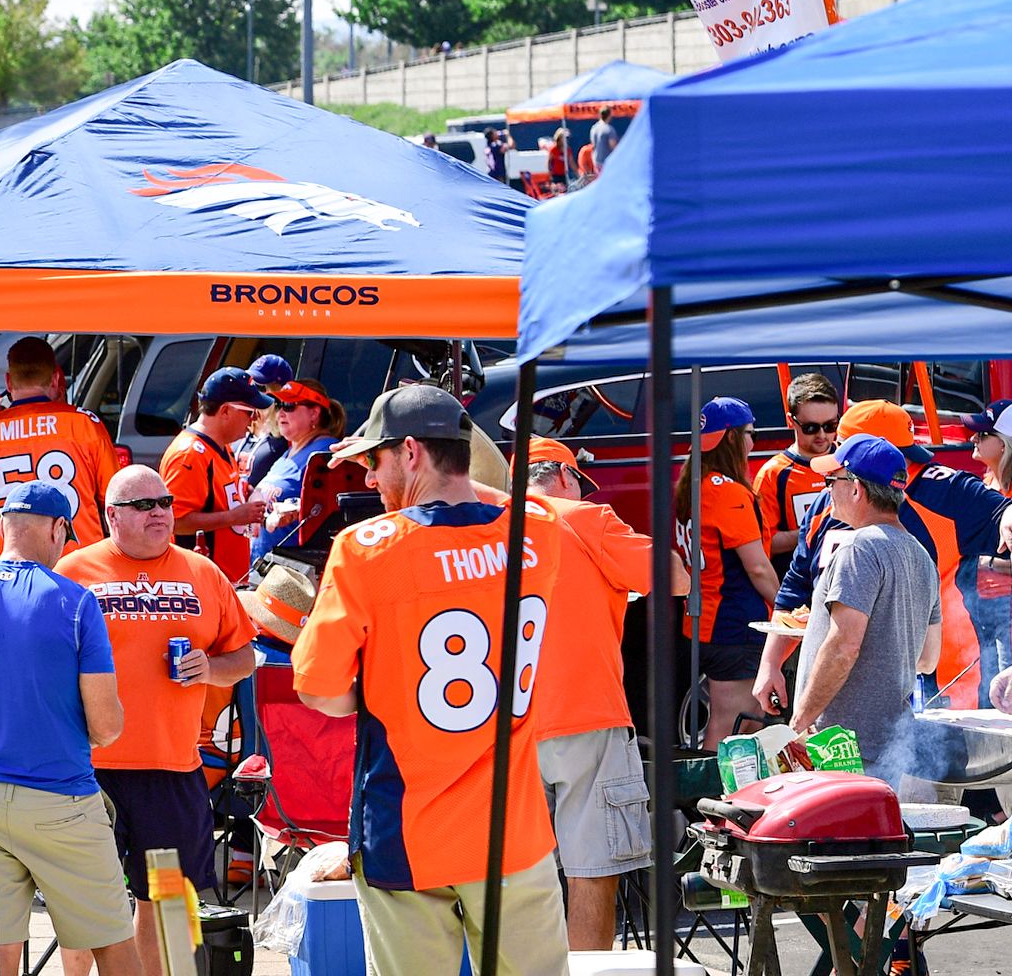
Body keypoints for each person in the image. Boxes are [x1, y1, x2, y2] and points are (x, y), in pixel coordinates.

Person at [294, 384, 568, 976]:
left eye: (375, 459)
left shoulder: (365, 549)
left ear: (411, 452)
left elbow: (318, 689)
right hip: (512, 831)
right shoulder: (541, 530)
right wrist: (456, 477)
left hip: (407, 829)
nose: (369, 478)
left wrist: (380, 689)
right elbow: (496, 495)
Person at [0, 481, 141, 975]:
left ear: (2, 526)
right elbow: (105, 726)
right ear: (59, 529)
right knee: (113, 943)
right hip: (62, 799)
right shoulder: (77, 604)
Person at [53, 466, 255, 975]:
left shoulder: (202, 572)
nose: (160, 512)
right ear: (112, 515)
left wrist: (211, 668)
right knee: (83, 898)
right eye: (143, 505)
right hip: (88, 768)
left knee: (166, 899)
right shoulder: (74, 571)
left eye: (165, 502)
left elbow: (246, 656)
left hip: (171, 767)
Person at [775, 399, 1012, 711]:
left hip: (940, 688)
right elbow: (795, 587)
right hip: (840, 684)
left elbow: (1000, 510)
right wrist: (770, 663)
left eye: (845, 445)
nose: (833, 452)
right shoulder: (830, 500)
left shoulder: (945, 490)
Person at [524, 437, 663, 952]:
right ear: (565, 476)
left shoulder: (484, 525)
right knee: (592, 871)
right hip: (586, 715)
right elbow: (673, 576)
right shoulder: (584, 517)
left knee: (517, 880)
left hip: (505, 725)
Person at [752, 436, 941, 789]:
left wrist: (799, 722)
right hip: (888, 741)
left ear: (856, 489)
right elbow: (928, 659)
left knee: (829, 841)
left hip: (838, 743)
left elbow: (843, 647)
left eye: (832, 481)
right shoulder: (921, 555)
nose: (827, 491)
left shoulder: (859, 547)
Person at [0, 335, 119, 560]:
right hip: (81, 568)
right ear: (55, 379)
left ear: (8, 382)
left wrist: (14, 539)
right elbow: (117, 504)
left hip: (14, 572)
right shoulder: (85, 425)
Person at [676, 396, 779, 750]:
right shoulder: (727, 492)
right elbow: (757, 566)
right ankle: (707, 801)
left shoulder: (692, 485)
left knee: (741, 719)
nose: (754, 442)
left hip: (702, 621)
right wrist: (786, 612)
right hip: (733, 623)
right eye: (751, 433)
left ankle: (714, 797)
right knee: (734, 721)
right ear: (734, 438)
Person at [161, 367, 272, 583]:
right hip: (201, 583)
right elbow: (173, 521)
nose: (253, 420)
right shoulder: (189, 454)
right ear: (225, 411)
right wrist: (235, 516)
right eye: (250, 412)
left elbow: (220, 498)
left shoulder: (222, 446)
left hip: (226, 580)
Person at [249, 379, 346, 561]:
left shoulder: (326, 454)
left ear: (314, 413)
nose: (281, 413)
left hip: (293, 572)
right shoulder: (288, 453)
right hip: (263, 568)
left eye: (289, 405)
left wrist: (295, 508)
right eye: (279, 405)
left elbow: (331, 511)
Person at [753, 373, 839, 576]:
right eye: (810, 427)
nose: (821, 435)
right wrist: (815, 530)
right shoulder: (773, 474)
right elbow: (763, 543)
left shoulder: (851, 461)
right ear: (791, 421)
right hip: (800, 585)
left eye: (830, 426)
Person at [963, 401, 1012, 685]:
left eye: (982, 434)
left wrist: (985, 561)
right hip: (981, 610)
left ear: (1004, 444)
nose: (973, 438)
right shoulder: (987, 481)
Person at [239, 354, 295, 484]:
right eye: (251, 385)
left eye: (260, 387)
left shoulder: (287, 432)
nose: (252, 392)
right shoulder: (240, 422)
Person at [589, 105, 618, 169]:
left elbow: (593, 143)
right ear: (609, 115)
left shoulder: (594, 128)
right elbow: (613, 147)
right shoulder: (609, 129)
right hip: (607, 163)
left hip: (596, 161)